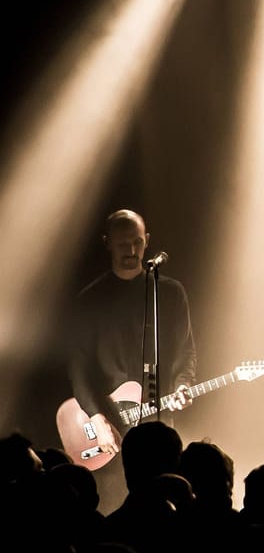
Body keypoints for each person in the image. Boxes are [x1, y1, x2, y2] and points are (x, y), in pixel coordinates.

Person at [67, 209, 197, 507]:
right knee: (114, 502)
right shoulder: (90, 299)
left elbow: (186, 350)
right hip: (109, 424)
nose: (132, 250)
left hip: (159, 422)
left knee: (165, 503)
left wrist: (182, 384)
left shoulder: (170, 293)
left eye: (137, 242)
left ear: (147, 240)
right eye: (123, 243)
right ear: (107, 243)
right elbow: (78, 366)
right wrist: (96, 417)